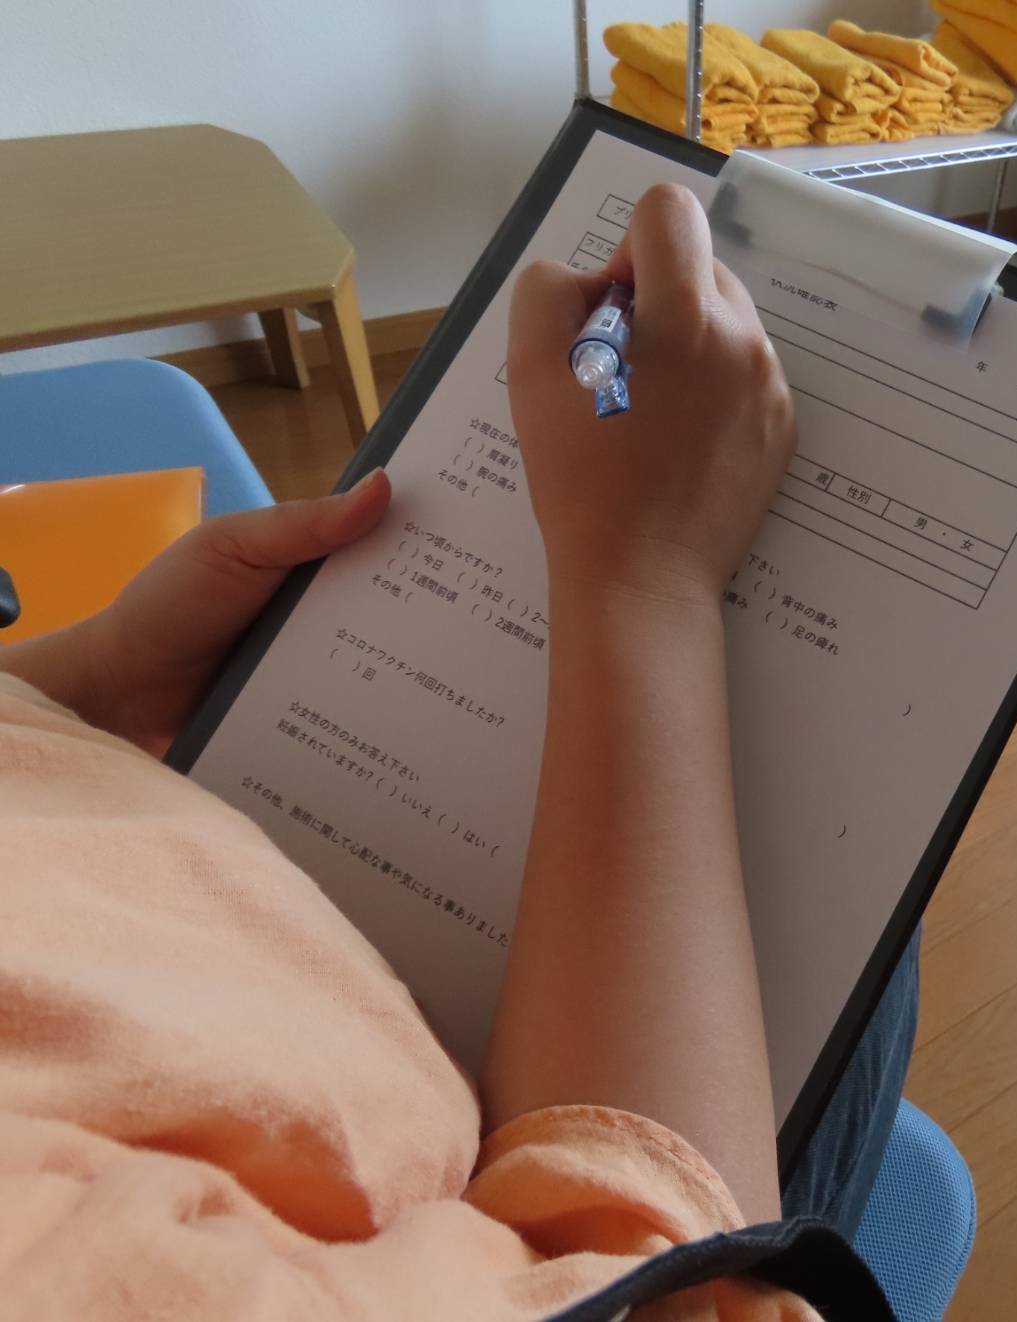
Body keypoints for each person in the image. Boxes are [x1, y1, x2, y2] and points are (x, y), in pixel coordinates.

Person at [0, 184, 916, 1319]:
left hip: (220, 882)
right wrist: (645, 576)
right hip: (478, 1148)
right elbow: (658, 1287)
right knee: (865, 934)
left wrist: (78, 683)